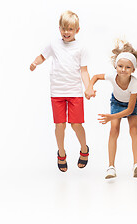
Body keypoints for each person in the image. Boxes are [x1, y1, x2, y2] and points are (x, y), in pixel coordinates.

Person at [30, 10, 94, 172]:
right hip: (57, 92)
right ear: (59, 28)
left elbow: (84, 71)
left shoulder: (81, 47)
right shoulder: (54, 44)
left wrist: (88, 87)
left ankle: (84, 149)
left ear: (77, 30)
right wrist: (35, 63)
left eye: (70, 29)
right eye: (64, 28)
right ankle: (61, 153)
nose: (66, 32)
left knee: (76, 124)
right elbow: (42, 56)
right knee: (60, 125)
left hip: (74, 92)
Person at [85, 40, 137, 179]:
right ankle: (111, 167)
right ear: (115, 66)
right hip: (117, 102)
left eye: (128, 67)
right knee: (114, 130)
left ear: (133, 69)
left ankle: (136, 164)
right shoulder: (112, 76)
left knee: (134, 130)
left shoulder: (134, 83)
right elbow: (95, 77)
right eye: (120, 66)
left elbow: (130, 110)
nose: (123, 69)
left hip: (132, 105)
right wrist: (89, 87)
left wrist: (111, 117)